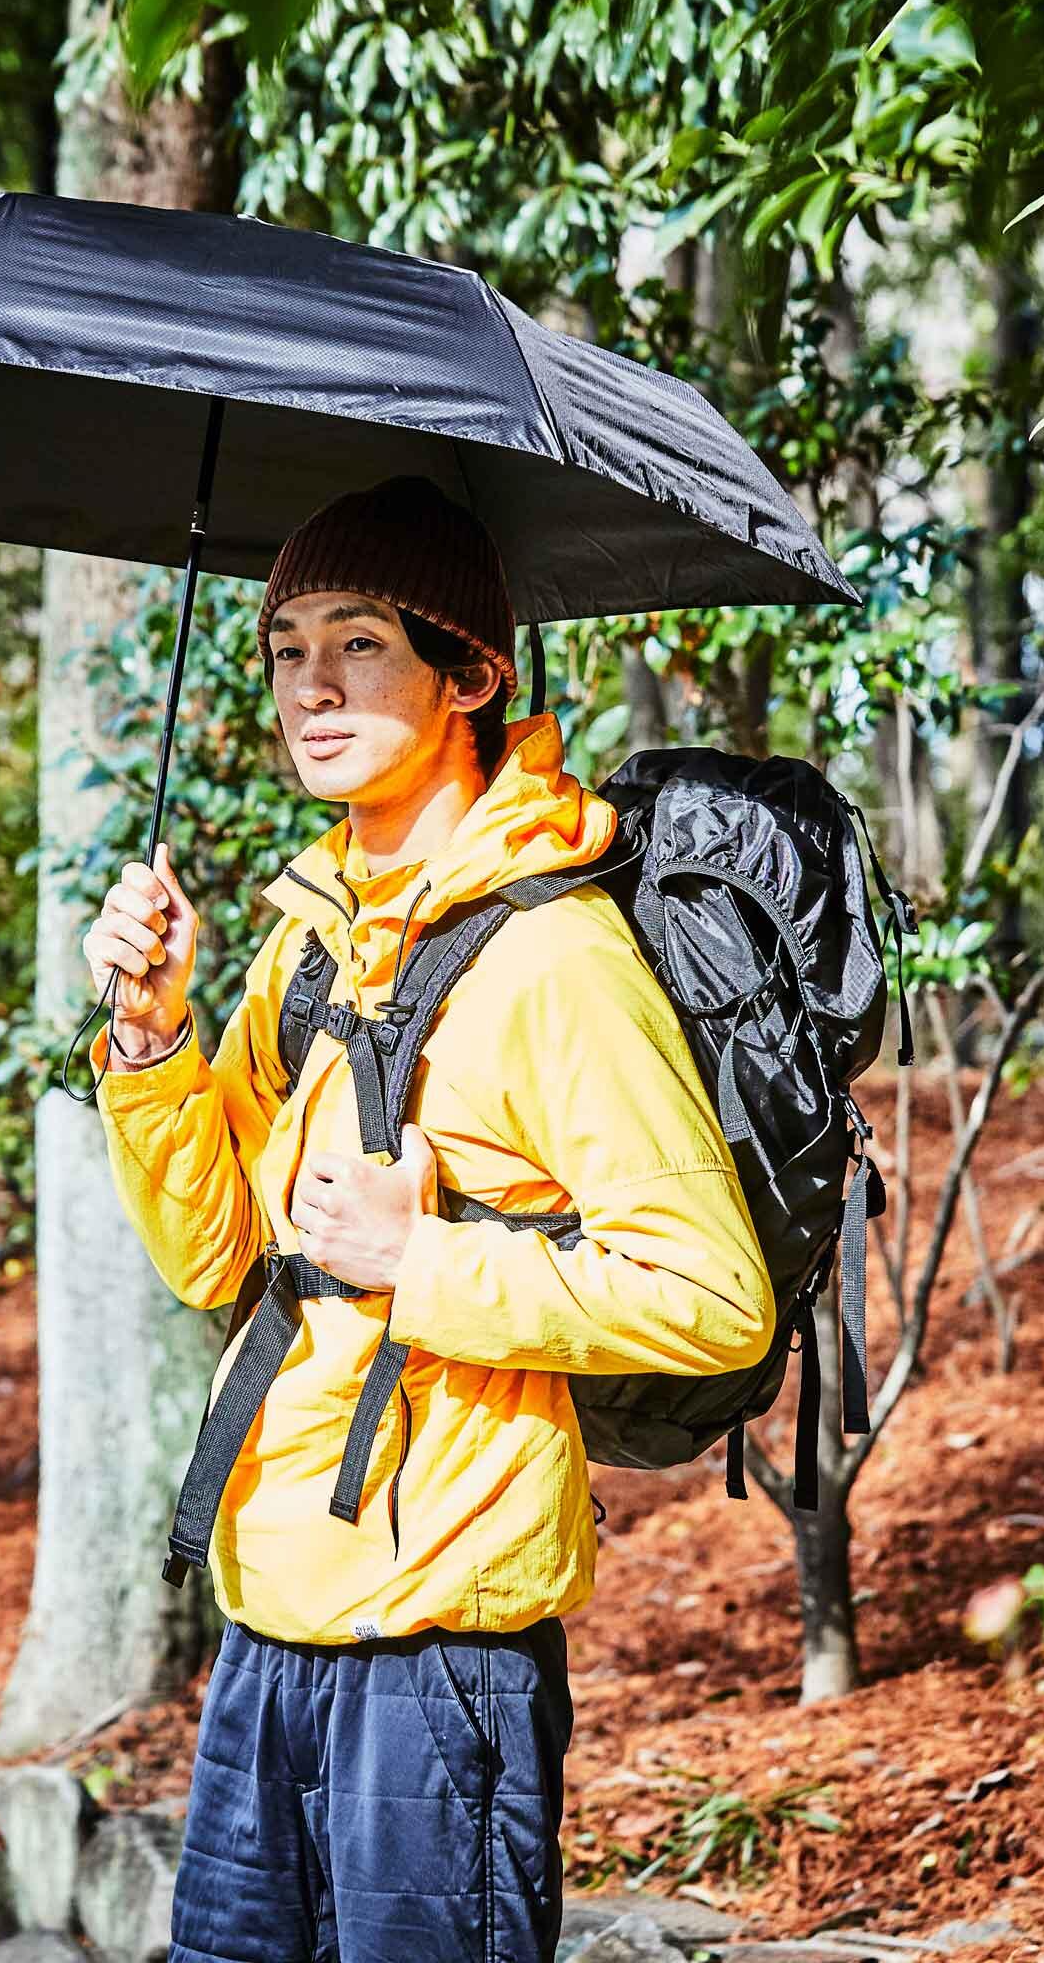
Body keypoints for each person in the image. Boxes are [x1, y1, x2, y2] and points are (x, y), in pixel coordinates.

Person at [80, 475, 775, 1963]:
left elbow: (717, 1294)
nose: (311, 688)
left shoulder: (554, 962)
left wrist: (427, 1260)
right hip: (271, 1615)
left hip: (441, 1649)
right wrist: (150, 1043)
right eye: (285, 650)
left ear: (469, 674)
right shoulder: (309, 938)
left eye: (361, 644)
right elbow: (218, 1258)